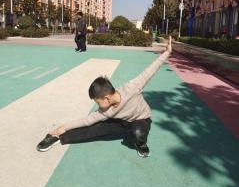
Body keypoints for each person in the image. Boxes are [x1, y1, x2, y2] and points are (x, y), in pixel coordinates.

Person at [37, 37, 172, 158]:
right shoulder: (106, 110)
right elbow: (87, 121)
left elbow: (150, 70)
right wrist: (64, 127)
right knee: (94, 129)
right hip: (122, 122)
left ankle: (141, 144)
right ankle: (58, 138)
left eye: (98, 102)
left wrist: (166, 53)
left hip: (141, 119)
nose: (97, 105)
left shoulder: (132, 88)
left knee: (138, 132)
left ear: (107, 98)